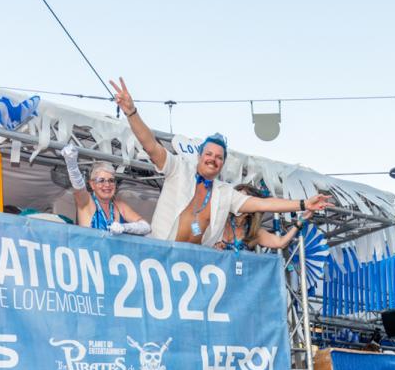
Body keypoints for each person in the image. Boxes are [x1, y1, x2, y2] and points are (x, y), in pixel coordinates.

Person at [109, 78, 331, 245]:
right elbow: (150, 144)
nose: (213, 159)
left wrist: (304, 204)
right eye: (209, 154)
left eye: (219, 157)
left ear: (222, 164)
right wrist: (132, 112)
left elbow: (263, 204)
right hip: (161, 255)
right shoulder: (179, 169)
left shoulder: (225, 193)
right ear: (199, 156)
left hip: (194, 267)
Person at [59, 147, 151, 234]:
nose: (107, 185)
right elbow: (79, 187)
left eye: (111, 180)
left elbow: (146, 227)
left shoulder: (120, 206)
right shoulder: (87, 202)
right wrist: (71, 163)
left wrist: (124, 227)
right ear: (92, 184)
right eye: (101, 180)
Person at [216, 185, 311, 252]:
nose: (239, 201)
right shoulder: (219, 219)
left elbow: (280, 243)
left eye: (243, 199)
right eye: (237, 197)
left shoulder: (253, 232)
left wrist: (301, 220)